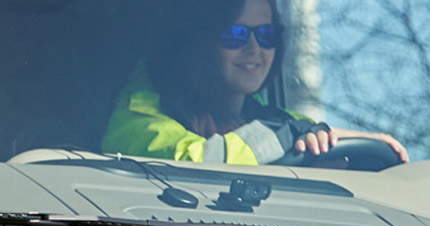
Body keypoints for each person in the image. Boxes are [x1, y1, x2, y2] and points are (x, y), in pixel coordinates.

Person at [102, 0, 407, 165]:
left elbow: (297, 131)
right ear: (203, 44)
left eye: (266, 35)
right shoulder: (139, 112)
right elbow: (199, 162)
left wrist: (359, 142)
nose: (254, 49)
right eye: (235, 35)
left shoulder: (273, 121)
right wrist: (294, 135)